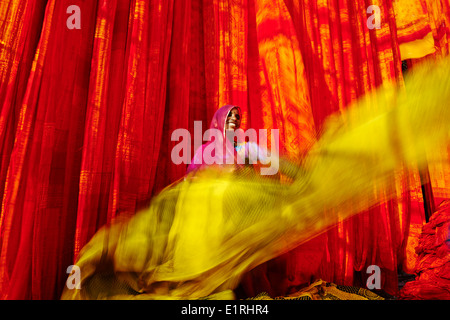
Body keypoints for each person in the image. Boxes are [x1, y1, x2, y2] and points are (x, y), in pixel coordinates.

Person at [61, 57, 450, 300]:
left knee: (310, 198)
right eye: (228, 119)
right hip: (197, 214)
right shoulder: (204, 149)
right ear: (218, 122)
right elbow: (190, 182)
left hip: (237, 209)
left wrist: (299, 180)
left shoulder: (247, 147)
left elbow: (275, 163)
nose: (233, 123)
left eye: (237, 120)